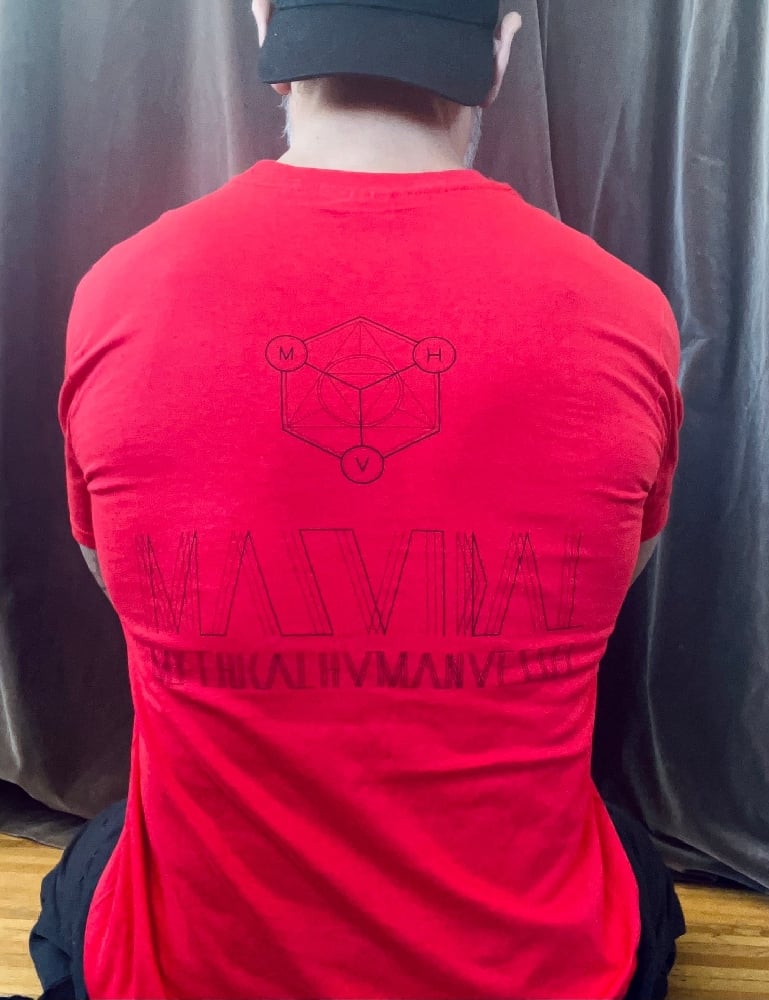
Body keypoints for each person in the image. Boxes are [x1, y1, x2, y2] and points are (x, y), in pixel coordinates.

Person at [25, 1, 686, 998]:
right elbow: (607, 589)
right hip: (540, 975)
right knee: (631, 860)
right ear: (502, 50)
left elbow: (128, 590)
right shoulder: (626, 316)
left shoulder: (118, 295)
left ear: (266, 26)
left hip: (186, 976)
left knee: (101, 850)